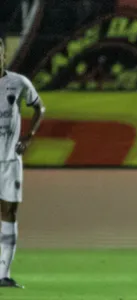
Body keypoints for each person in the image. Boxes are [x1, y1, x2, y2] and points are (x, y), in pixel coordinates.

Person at [0, 38, 45, 288]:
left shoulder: (18, 82)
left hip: (9, 162)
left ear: (4, 55)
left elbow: (40, 108)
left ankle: (3, 275)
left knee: (9, 213)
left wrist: (29, 137)